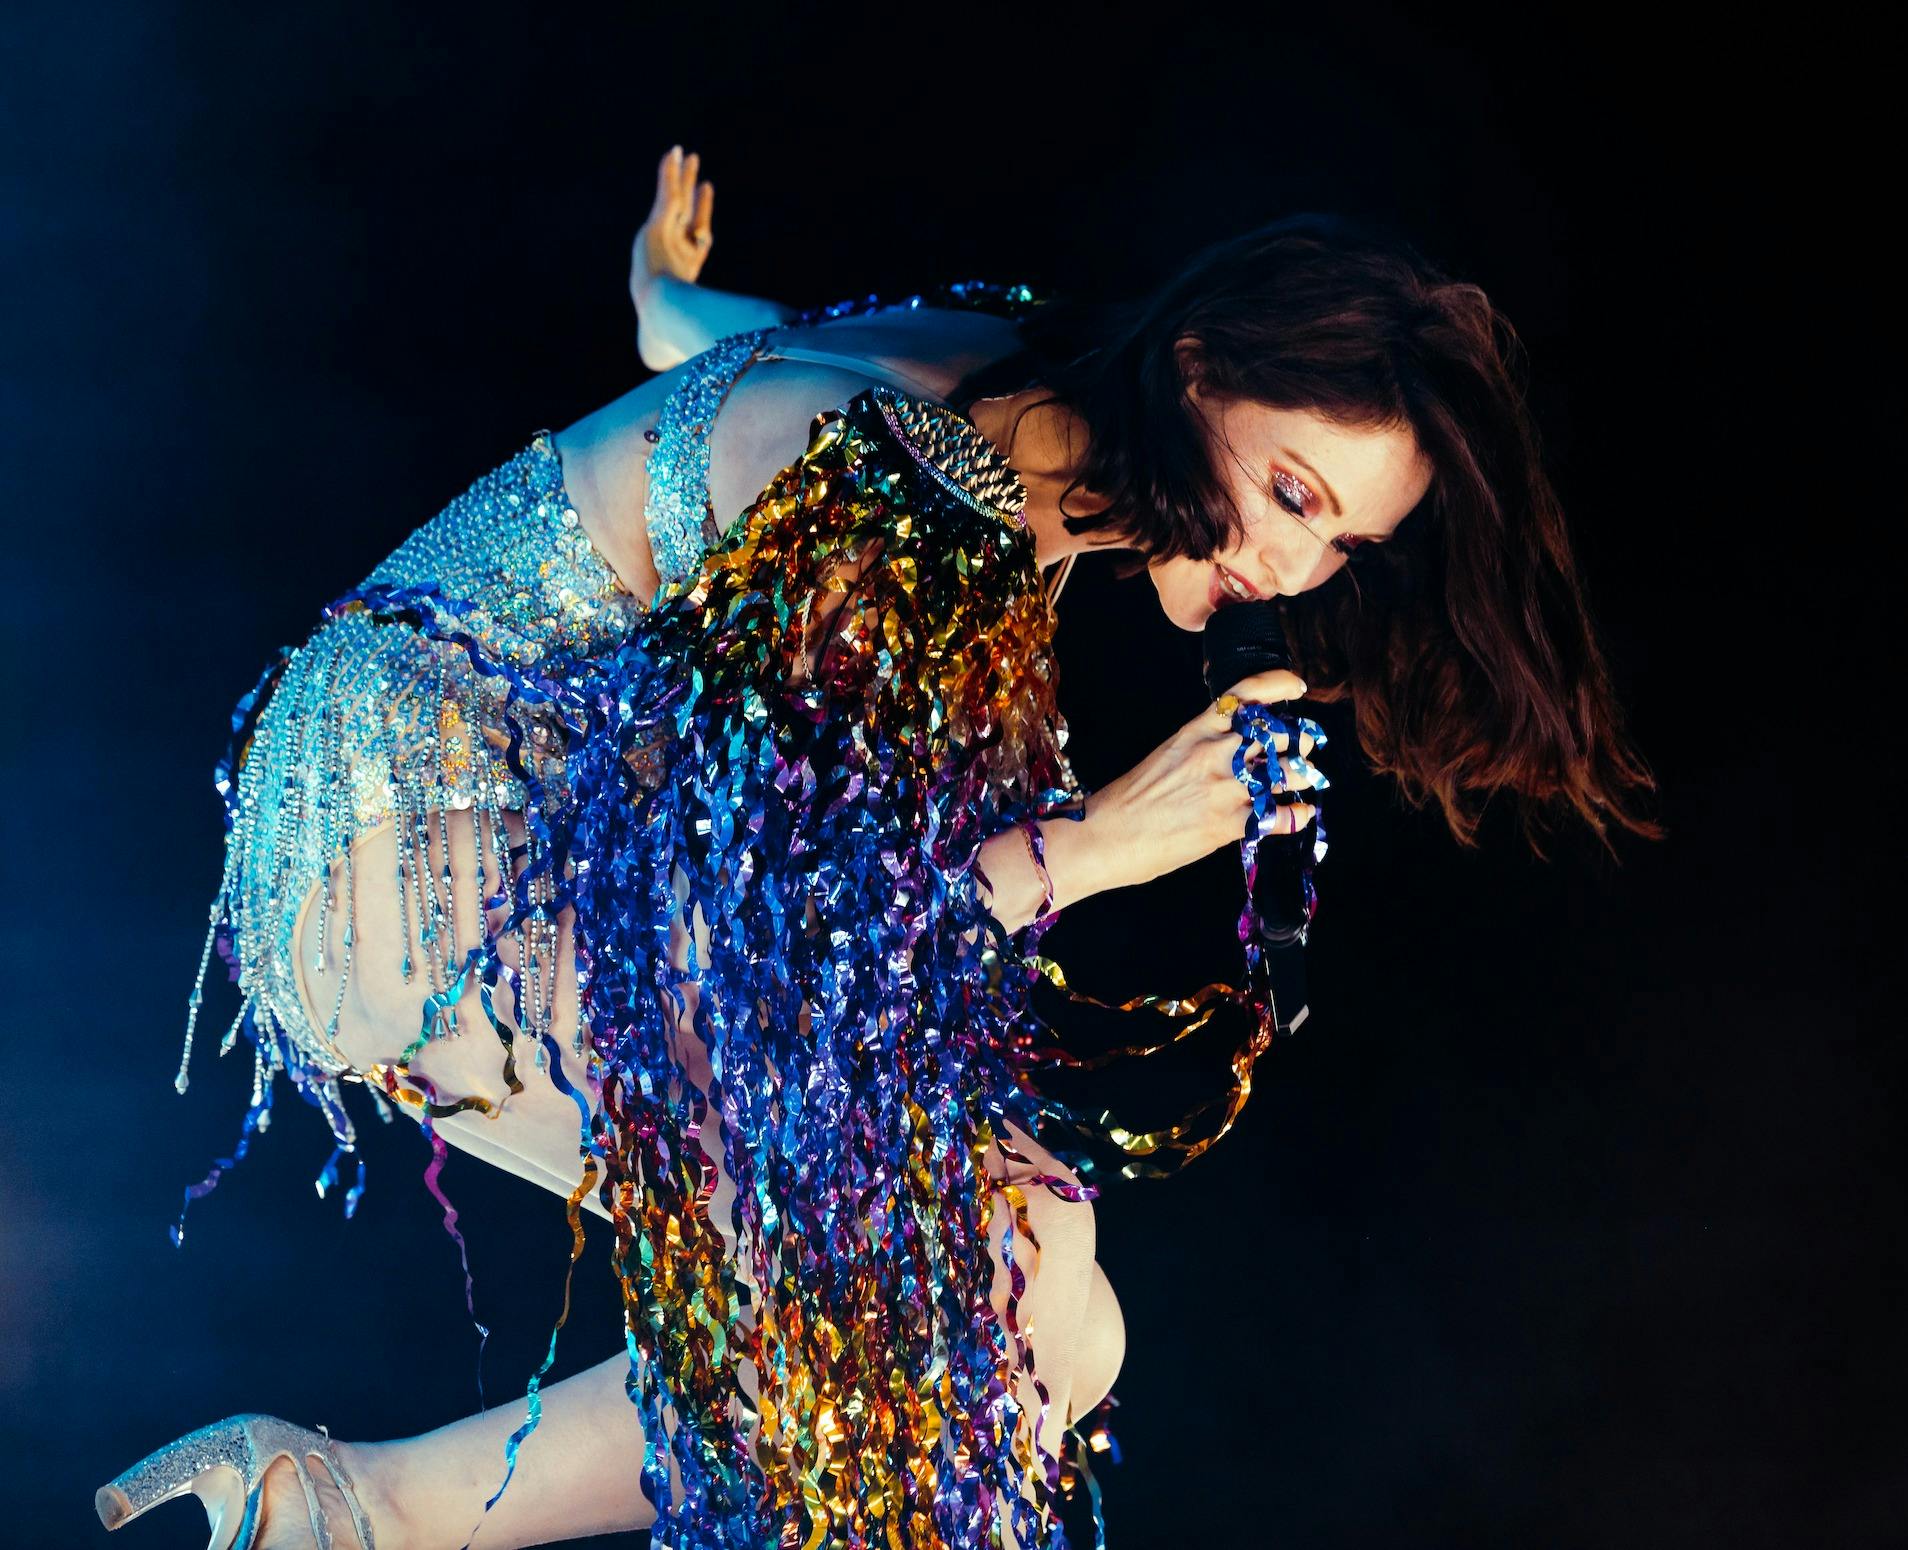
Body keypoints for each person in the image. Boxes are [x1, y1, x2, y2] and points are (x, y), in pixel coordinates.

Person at [95, 144, 1656, 1550]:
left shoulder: (1020, 369)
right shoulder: (907, 499)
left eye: (1341, 541)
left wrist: (665, 309)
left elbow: (759, 351)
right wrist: (1100, 840)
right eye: (1291, 492)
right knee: (945, 1274)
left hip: (510, 831)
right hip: (398, 845)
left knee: (1051, 1302)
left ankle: (351, 1506)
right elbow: (797, 937)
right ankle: (384, 1511)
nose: (1290, 561)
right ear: (1198, 370)